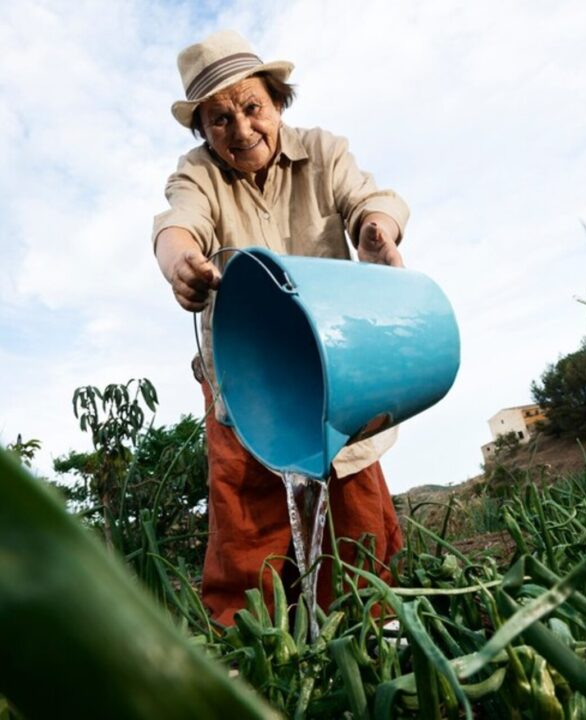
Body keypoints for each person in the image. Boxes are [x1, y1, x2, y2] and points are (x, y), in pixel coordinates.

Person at [152, 30, 408, 626]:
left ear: (277, 99)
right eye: (218, 119)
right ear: (202, 130)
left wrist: (377, 229)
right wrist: (180, 265)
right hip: (247, 380)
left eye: (251, 108)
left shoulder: (322, 151)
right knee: (247, 528)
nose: (240, 130)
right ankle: (252, 653)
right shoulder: (198, 174)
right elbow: (176, 226)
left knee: (356, 513)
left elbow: (373, 199)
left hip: (333, 368)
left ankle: (365, 636)